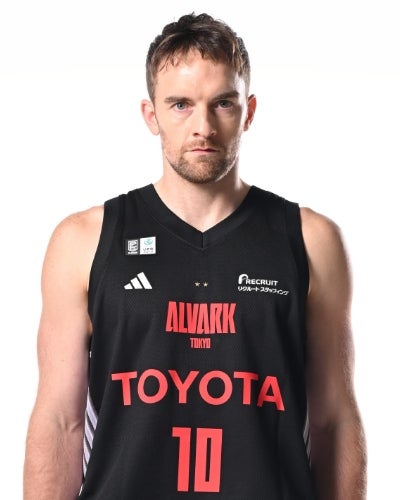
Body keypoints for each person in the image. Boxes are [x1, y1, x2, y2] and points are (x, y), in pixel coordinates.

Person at [23, 12, 367, 500]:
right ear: (151, 115)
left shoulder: (311, 239)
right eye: (181, 104)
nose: (203, 127)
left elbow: (335, 418)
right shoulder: (83, 240)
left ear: (248, 111)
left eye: (222, 103)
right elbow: (60, 420)